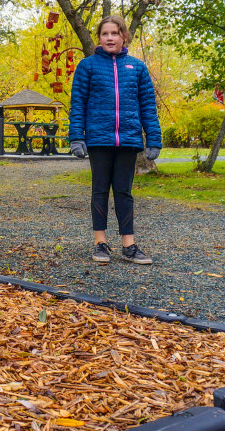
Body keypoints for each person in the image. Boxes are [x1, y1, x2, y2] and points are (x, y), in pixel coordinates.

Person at [68, 15, 162, 265]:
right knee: (99, 191)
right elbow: (78, 104)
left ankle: (129, 246)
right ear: (99, 38)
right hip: (99, 139)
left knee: (124, 192)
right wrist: (77, 137)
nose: (109, 38)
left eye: (115, 33)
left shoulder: (138, 68)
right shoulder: (87, 66)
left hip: (129, 140)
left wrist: (154, 139)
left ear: (124, 37)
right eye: (105, 33)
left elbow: (148, 107)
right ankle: (100, 242)